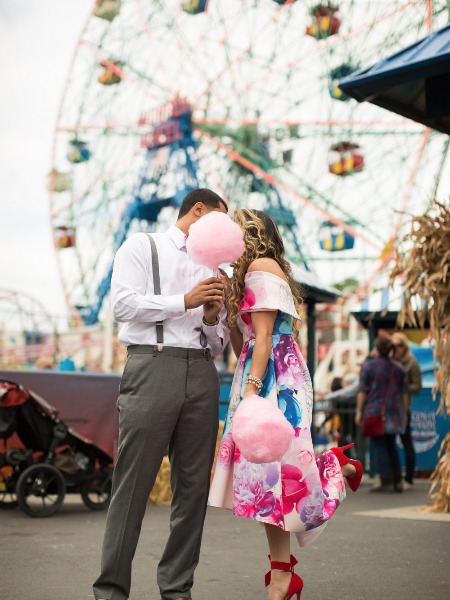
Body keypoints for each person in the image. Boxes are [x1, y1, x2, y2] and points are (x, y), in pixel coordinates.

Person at [209, 208, 362, 600]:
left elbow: (262, 338)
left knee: (277, 480)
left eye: (234, 227)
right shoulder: (254, 270)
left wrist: (250, 393)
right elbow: (246, 339)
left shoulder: (260, 265)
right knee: (266, 484)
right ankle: (282, 572)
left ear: (250, 233)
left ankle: (333, 469)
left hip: (272, 377)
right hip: (266, 370)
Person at [93, 188, 229, 600]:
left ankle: (177, 589)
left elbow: (219, 341)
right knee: (132, 485)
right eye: (220, 219)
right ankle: (111, 591)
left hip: (203, 371)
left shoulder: (217, 268)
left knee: (193, 490)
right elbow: (122, 305)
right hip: (152, 365)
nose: (225, 230)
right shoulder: (142, 245)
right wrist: (183, 301)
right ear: (199, 211)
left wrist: (208, 319)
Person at [355, 335, 408, 493]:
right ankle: (398, 480)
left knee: (380, 446)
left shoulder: (368, 366)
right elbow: (404, 393)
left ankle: (385, 480)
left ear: (376, 348)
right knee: (391, 445)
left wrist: (359, 411)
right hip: (394, 412)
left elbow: (362, 391)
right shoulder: (398, 367)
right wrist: (404, 412)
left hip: (375, 411)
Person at [392, 332, 422, 489]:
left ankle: (409, 478)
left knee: (407, 442)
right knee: (389, 443)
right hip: (389, 408)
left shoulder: (412, 362)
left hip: (403, 407)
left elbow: (417, 386)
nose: (396, 348)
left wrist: (403, 388)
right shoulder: (389, 361)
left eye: (399, 345)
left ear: (405, 346)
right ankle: (392, 477)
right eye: (394, 345)